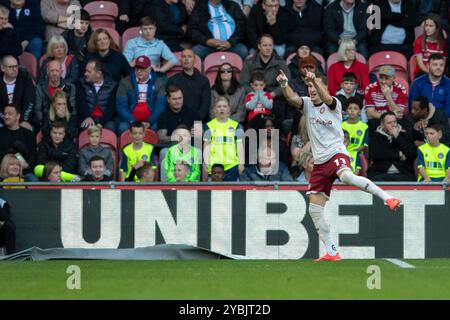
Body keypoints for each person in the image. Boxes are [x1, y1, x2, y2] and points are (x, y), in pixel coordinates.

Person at [277, 68, 402, 261]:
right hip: (319, 163)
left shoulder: (334, 104)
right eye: (309, 86)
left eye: (314, 85)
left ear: (325, 87)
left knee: (346, 177)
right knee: (314, 209)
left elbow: (326, 98)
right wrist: (284, 84)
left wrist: (316, 82)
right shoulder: (308, 104)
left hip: (336, 153)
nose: (311, 89)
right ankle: (332, 251)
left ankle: (388, 198)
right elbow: (292, 99)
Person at [240, 34, 290, 122]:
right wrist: (255, 94)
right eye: (265, 45)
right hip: (254, 95)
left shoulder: (280, 62)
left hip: (274, 96)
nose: (268, 48)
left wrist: (273, 94)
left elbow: (286, 83)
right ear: (259, 46)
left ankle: (278, 134)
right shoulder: (249, 62)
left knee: (280, 105)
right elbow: (243, 83)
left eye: (270, 45)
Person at [116, 55, 167, 135]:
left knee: (157, 128)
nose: (139, 71)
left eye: (142, 68)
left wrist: (150, 122)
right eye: (137, 68)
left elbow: (160, 106)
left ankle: (152, 148)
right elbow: (121, 106)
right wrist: (134, 122)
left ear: (150, 69)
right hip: (131, 120)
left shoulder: (159, 83)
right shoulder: (125, 82)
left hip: (151, 121)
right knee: (122, 128)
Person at [203, 96, 245, 181]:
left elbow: (240, 146)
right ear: (214, 109)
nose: (222, 109)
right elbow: (207, 146)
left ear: (229, 109)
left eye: (224, 106)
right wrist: (206, 162)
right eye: (219, 106)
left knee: (231, 192)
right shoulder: (209, 126)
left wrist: (241, 163)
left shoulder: (236, 126)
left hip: (232, 166)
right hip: (215, 167)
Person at [367, 111, 417, 181]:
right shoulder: (375, 137)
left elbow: (412, 154)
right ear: (382, 125)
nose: (393, 125)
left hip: (403, 173)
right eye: (389, 123)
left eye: (394, 122)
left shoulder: (405, 134)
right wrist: (399, 154)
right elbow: (376, 155)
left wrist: (397, 137)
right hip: (380, 173)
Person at [166, 49, 211, 121]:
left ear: (194, 60)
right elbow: (170, 103)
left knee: (197, 132)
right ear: (180, 61)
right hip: (179, 120)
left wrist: (196, 120)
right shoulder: (173, 80)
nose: (186, 59)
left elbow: (205, 104)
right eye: (184, 57)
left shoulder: (204, 80)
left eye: (189, 56)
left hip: (199, 120)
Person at [76, 58, 118, 132]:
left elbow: (111, 108)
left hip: (106, 119)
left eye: (88, 71)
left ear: (98, 73)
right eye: (86, 71)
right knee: (85, 128)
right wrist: (87, 117)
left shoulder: (112, 85)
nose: (85, 74)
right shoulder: (81, 83)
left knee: (109, 129)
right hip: (88, 117)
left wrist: (101, 123)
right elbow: (81, 102)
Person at [364, 65, 408, 132]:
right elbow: (370, 114)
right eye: (381, 78)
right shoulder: (370, 88)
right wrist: (387, 118)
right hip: (378, 120)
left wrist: (388, 96)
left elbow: (399, 113)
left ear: (393, 78)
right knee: (372, 123)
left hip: (395, 120)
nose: (383, 81)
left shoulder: (401, 89)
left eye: (387, 78)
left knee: (404, 124)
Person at [34, 59, 76, 129]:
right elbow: (37, 110)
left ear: (61, 72)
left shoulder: (70, 87)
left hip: (65, 122)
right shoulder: (40, 88)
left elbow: (72, 110)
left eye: (57, 71)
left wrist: (65, 122)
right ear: (47, 71)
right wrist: (48, 124)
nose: (54, 73)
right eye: (52, 70)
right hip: (46, 123)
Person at [0, 105, 37, 181]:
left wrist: (25, 165)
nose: (6, 116)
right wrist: (16, 157)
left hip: (24, 172)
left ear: (18, 116)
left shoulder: (28, 134)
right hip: (2, 172)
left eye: (10, 114)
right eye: (5, 114)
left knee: (33, 180)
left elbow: (33, 157)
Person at [409, 53, 450, 118]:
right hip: (421, 118)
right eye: (435, 65)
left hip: (442, 120)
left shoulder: (448, 83)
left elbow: (449, 109)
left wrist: (433, 118)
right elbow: (413, 107)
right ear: (428, 66)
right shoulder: (417, 83)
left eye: (441, 65)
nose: (438, 67)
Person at [0, 55, 35, 130]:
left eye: (16, 66)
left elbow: (29, 103)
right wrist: (6, 119)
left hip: (22, 119)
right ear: (3, 68)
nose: (15, 69)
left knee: (27, 128)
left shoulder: (25, 80)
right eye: (11, 67)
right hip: (2, 120)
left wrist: (23, 120)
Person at [413, 14, 447, 78]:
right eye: (426, 25)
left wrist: (437, 74)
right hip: (423, 73)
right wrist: (430, 73)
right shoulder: (419, 41)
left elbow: (443, 63)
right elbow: (420, 63)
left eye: (431, 26)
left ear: (437, 28)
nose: (427, 28)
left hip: (438, 73)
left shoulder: (443, 43)